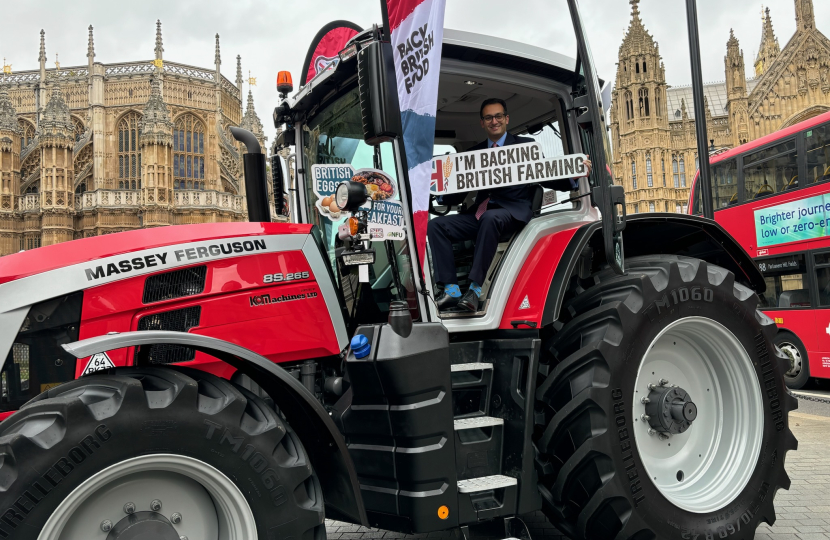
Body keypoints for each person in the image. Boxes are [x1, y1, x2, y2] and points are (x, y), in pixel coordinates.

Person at [428, 98, 592, 312]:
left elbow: (546, 175)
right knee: (437, 225)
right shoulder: (472, 154)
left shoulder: (525, 146)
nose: (493, 121)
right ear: (482, 123)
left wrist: (574, 175)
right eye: (488, 117)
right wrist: (436, 190)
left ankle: (475, 290)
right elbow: (458, 194)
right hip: (480, 215)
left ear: (506, 119)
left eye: (497, 116)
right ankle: (451, 290)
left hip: (511, 213)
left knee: (490, 218)